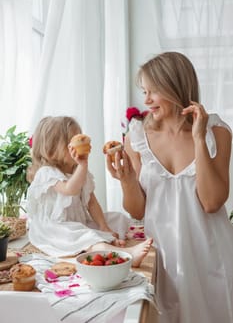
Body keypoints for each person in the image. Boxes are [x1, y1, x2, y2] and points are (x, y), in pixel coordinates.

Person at [106, 52, 233, 322]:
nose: (146, 100)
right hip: (163, 258)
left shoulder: (217, 132)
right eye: (144, 91)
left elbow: (212, 202)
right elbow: (137, 210)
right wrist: (127, 180)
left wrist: (199, 138)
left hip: (210, 256)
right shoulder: (137, 136)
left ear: (175, 87)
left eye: (153, 91)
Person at [26, 116, 152, 267]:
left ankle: (106, 240)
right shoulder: (46, 172)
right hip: (54, 228)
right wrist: (83, 164)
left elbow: (91, 202)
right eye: (71, 143)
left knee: (117, 218)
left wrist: (104, 226)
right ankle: (127, 255)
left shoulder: (78, 170)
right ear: (51, 149)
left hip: (78, 223)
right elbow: (70, 189)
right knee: (88, 236)